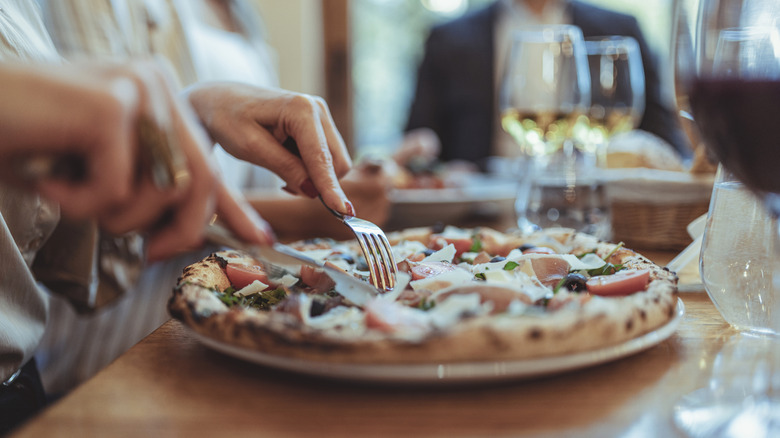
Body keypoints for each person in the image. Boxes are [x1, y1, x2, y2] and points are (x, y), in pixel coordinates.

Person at [404, 0, 691, 170]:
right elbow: (420, 143)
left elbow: (666, 142)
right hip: (481, 217)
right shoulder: (447, 39)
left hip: (601, 206)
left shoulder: (620, 30)